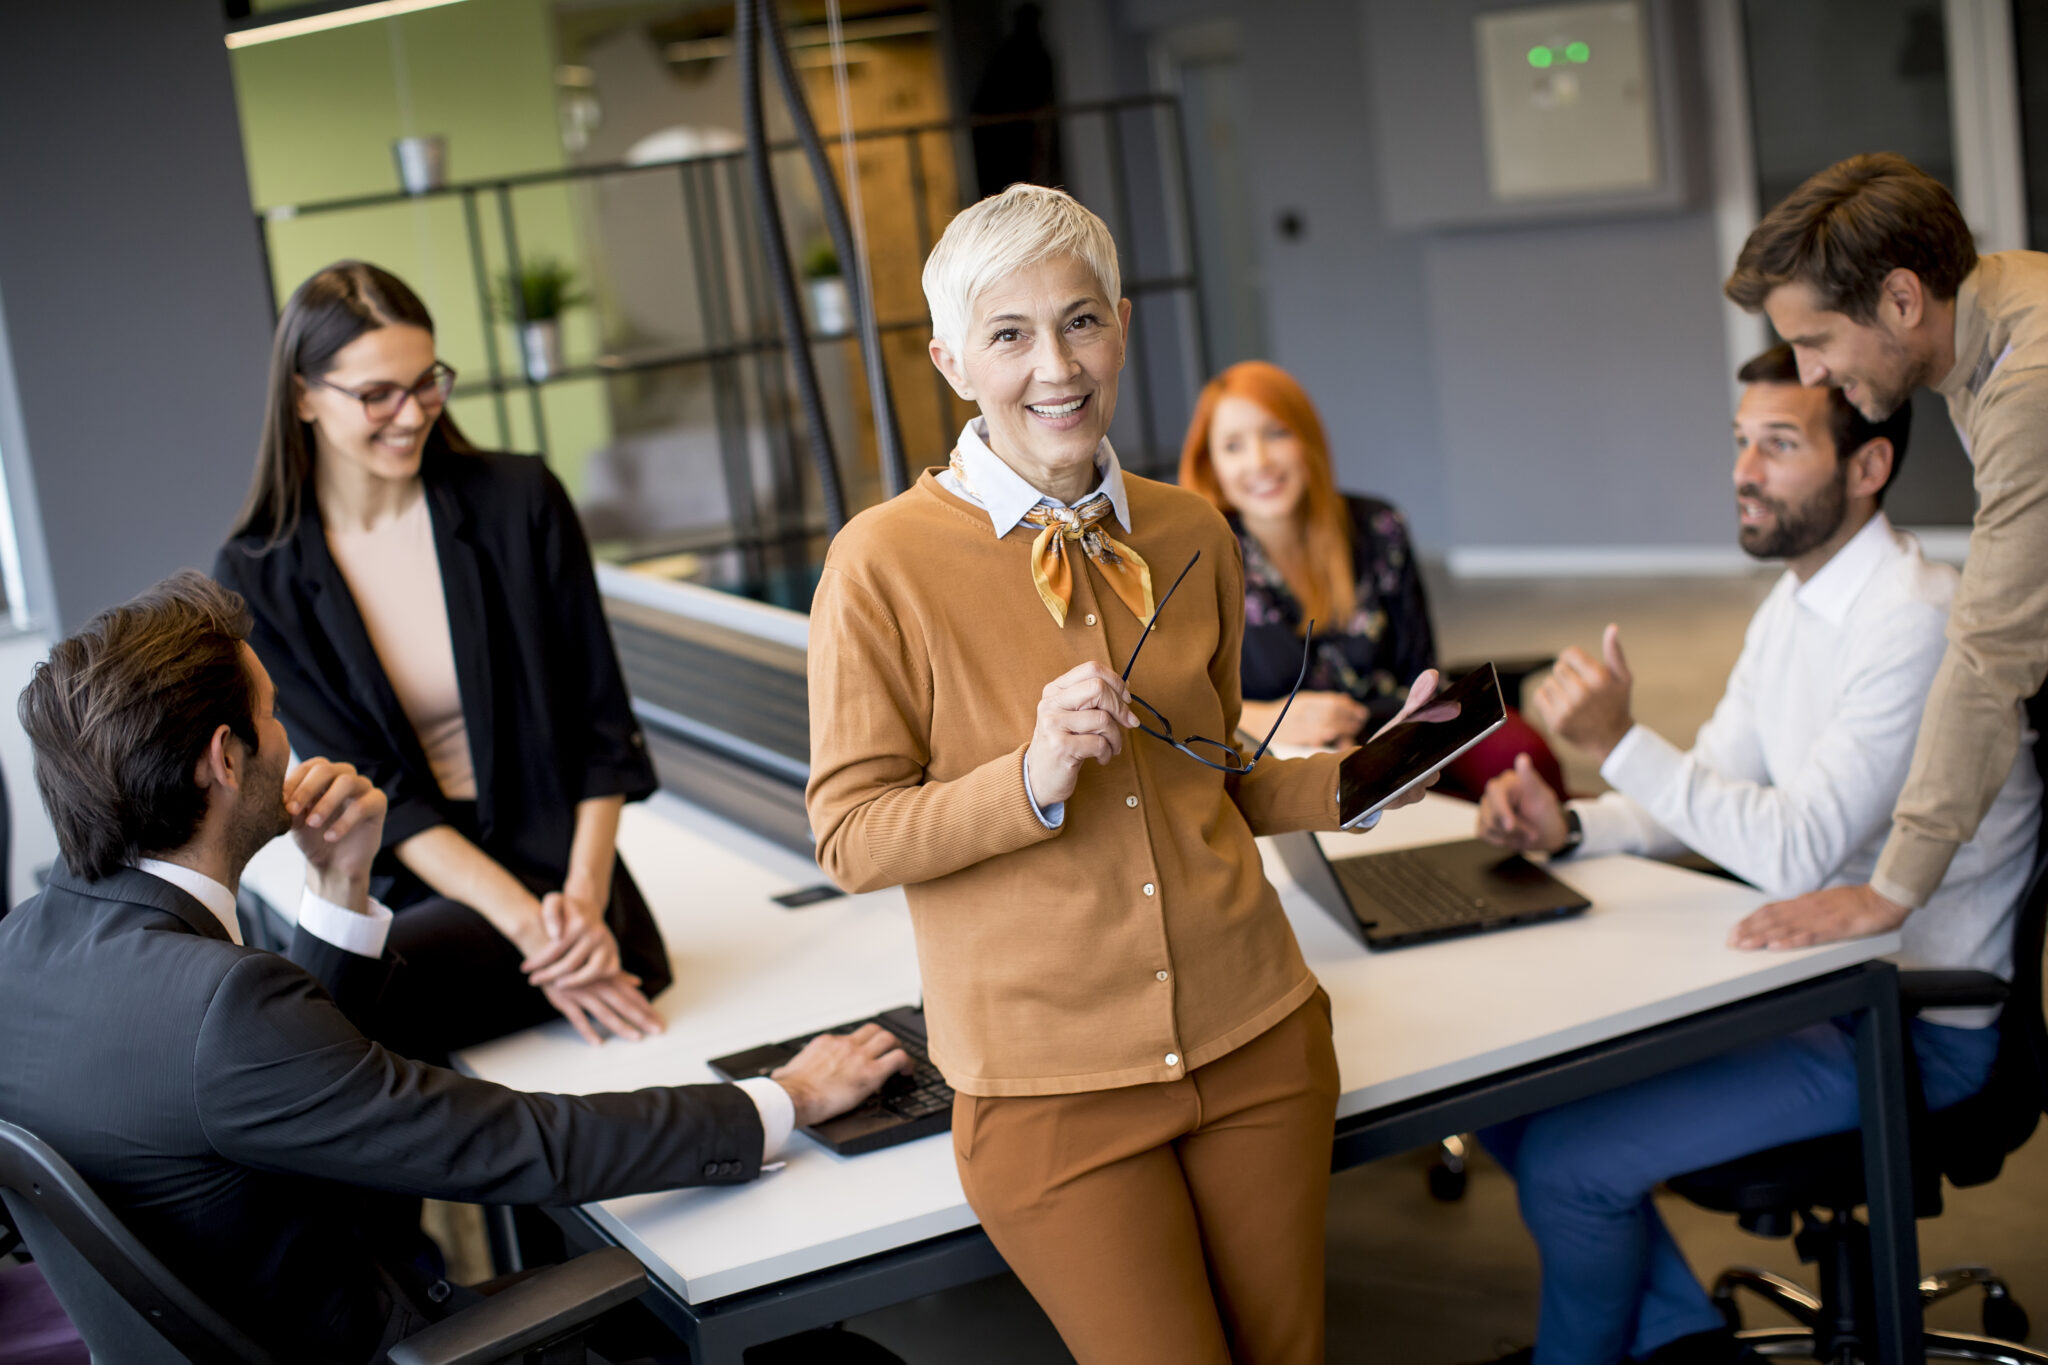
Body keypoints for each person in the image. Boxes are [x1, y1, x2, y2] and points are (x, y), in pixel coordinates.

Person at [804, 184, 1453, 1365]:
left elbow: (1212, 778)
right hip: (1050, 1091)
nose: (1053, 365)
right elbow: (851, 837)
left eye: (1079, 320)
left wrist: (1354, 783)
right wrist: (1033, 773)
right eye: (1007, 334)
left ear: (1121, 326)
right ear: (952, 362)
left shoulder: (1191, 530)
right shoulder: (879, 563)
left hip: (1257, 1036)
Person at [0, 572, 908, 1365]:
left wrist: (343, 881)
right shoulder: (223, 1007)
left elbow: (290, 1085)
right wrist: (782, 1096)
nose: (291, 740)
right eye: (272, 714)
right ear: (225, 760)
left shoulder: (25, 949)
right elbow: (515, 1141)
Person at [1464, 345, 2041, 1365]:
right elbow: (1715, 788)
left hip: (1903, 1030)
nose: (1742, 469)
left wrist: (1617, 743)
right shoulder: (1796, 604)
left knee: (1566, 1166)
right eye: (1739, 441)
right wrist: (1572, 826)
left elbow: (1790, 848)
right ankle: (1682, 1347)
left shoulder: (1910, 622)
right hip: (1806, 987)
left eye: (1778, 444)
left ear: (1865, 468)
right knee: (1513, 1110)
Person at [216, 261, 661, 1061]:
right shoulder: (259, 576)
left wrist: (581, 907)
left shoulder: (520, 500)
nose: (411, 412)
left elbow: (604, 730)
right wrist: (534, 933)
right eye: (377, 393)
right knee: (318, 1028)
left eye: (428, 383)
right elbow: (388, 789)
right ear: (303, 396)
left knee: (332, 1033)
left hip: (567, 873)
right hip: (422, 883)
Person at [1719, 153, 2048, 955]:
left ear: (1902, 298)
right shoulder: (1996, 309)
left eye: (1816, 339)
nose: (1812, 373)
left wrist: (1890, 889)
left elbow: (1990, 653)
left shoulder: (2030, 381)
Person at [1178, 360, 1564, 797]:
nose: (1260, 461)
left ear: (1306, 439)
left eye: (1276, 433)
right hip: (1272, 752)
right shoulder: (1201, 557)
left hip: (1398, 733)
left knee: (1522, 757)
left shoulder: (1379, 527)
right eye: (1233, 446)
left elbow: (1420, 671)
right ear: (1211, 466)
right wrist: (1264, 717)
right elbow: (1184, 704)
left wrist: (1373, 744)